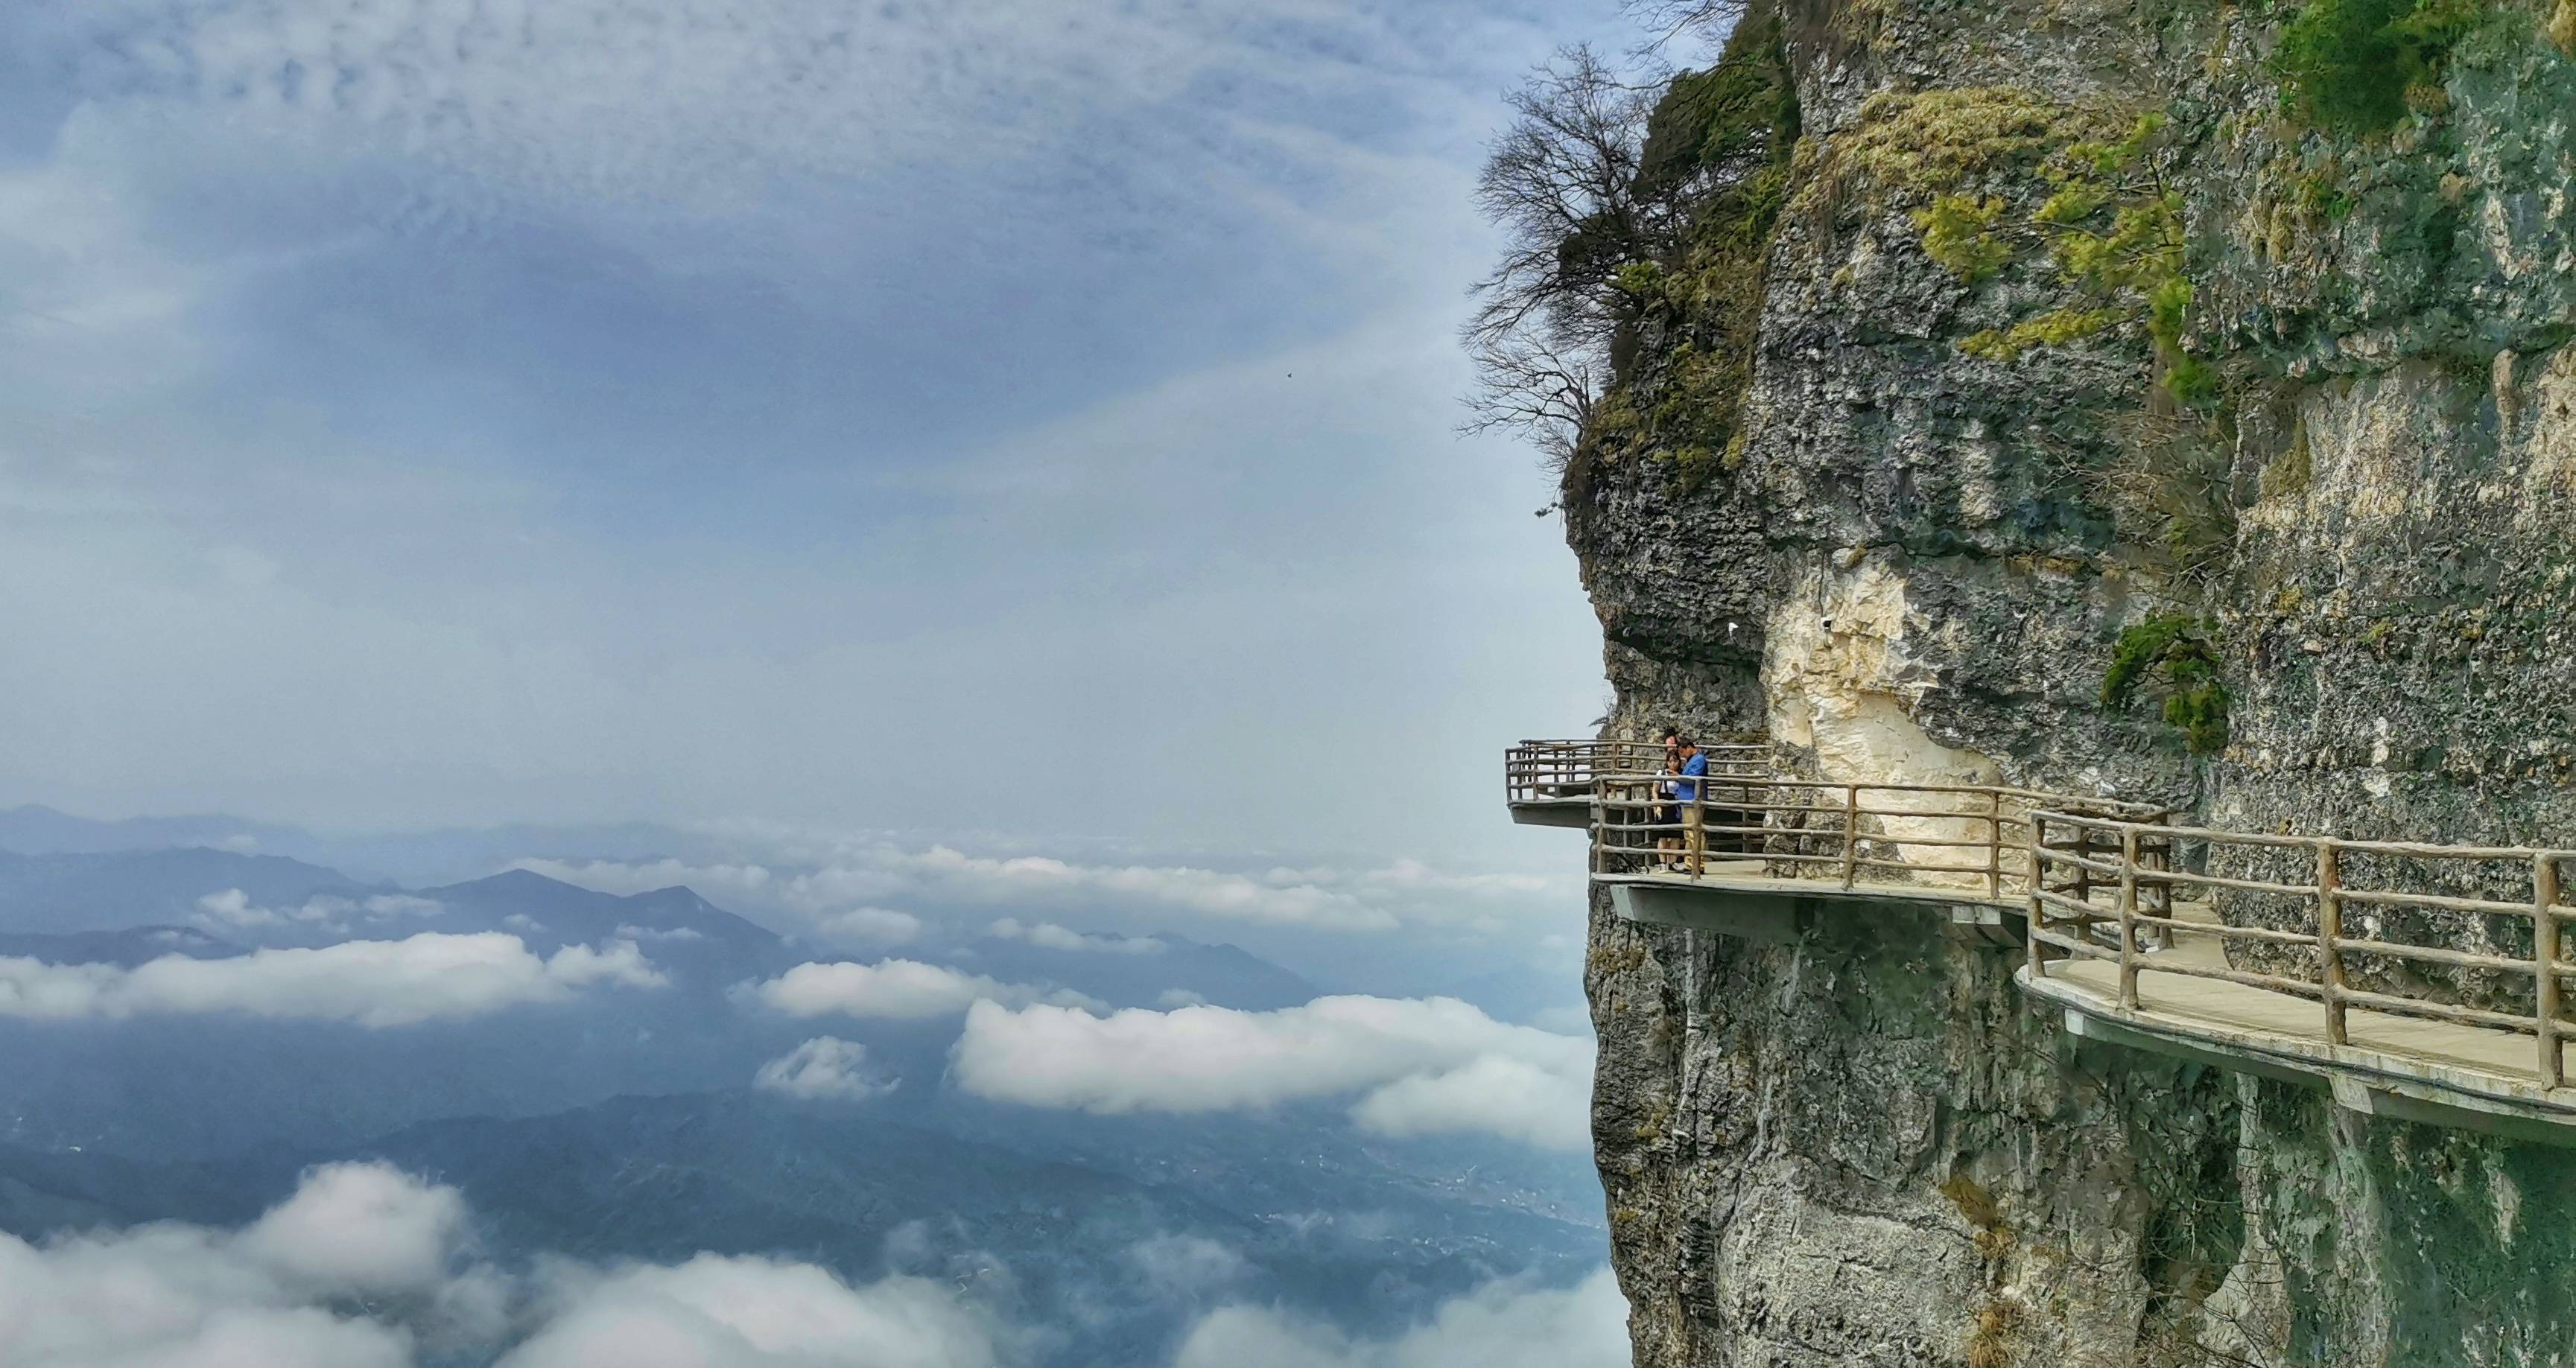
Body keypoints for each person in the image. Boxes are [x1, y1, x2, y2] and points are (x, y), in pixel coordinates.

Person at [1672, 736, 1709, 875]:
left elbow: (1694, 778)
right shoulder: (1693, 760)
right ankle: (1690, 863)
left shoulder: (1699, 760)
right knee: (1689, 833)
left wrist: (1678, 777)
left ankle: (1698, 864)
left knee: (1695, 832)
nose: (1682, 755)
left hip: (1693, 799)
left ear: (1689, 748)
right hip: (1688, 799)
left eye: (1683, 752)